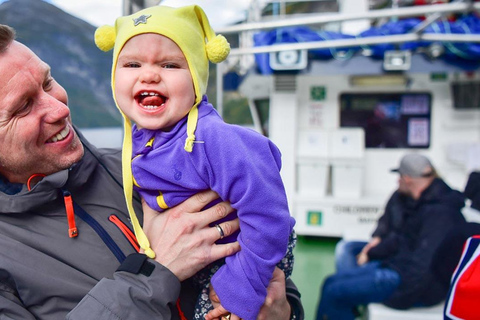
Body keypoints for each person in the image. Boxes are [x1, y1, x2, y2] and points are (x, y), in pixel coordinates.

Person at [0, 24, 304, 320]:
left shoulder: (141, 169)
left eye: (48, 81)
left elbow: (263, 260)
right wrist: (153, 275)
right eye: (23, 106)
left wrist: (285, 309)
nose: (60, 109)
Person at [94, 5, 296, 320]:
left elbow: (269, 214)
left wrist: (241, 287)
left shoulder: (212, 138)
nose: (149, 74)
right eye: (132, 63)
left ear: (197, 80)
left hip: (248, 251)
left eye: (170, 65)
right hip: (209, 253)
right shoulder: (142, 138)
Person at [316, 153, 466, 320]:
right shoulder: (420, 201)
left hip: (414, 286)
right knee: (330, 282)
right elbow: (399, 236)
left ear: (407, 178)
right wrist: (375, 248)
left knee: (334, 291)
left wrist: (397, 298)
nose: (397, 181)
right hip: (397, 266)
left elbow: (422, 267)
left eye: (399, 176)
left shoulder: (439, 214)